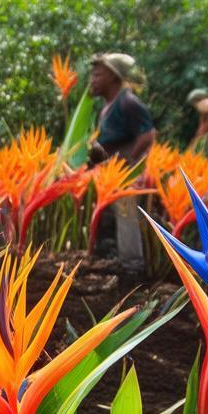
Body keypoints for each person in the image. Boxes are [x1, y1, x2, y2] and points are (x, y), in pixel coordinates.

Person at [88, 52, 156, 274]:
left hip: (124, 174)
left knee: (127, 217)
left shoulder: (127, 102)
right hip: (111, 174)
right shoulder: (107, 106)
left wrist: (128, 163)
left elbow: (148, 135)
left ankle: (133, 268)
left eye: (98, 75)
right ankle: (116, 263)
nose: (92, 80)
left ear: (113, 76)